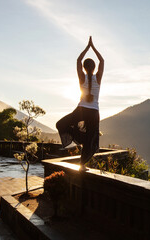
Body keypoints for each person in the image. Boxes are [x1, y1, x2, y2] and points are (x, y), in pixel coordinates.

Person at [56, 36, 104, 171]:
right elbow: (102, 60)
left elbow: (78, 60)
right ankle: (82, 165)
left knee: (60, 124)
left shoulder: (81, 77)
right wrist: (93, 47)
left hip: (81, 110)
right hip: (94, 112)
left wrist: (87, 47)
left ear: (83, 67)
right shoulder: (98, 78)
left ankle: (79, 139)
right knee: (90, 139)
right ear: (94, 68)